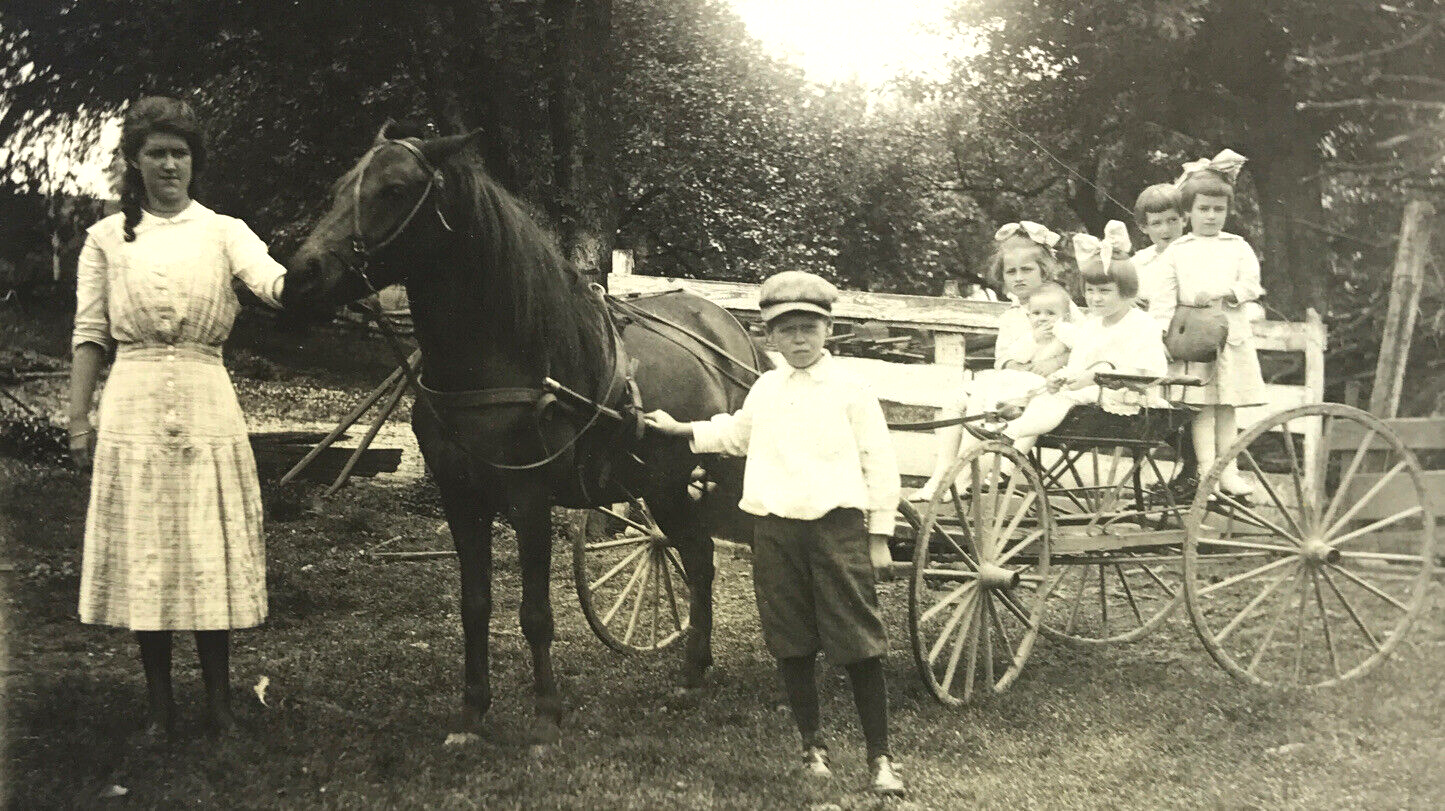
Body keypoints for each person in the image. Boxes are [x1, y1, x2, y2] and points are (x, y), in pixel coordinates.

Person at [68, 96, 289, 740]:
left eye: (180, 153)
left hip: (205, 402)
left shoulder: (225, 231)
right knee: (148, 554)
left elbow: (275, 284)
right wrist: (78, 420)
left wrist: (318, 273)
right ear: (135, 163)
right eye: (157, 152)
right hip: (132, 405)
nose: (170, 164)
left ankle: (220, 706)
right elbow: (89, 335)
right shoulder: (105, 240)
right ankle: (161, 709)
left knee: (204, 548)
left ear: (195, 162)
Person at [644, 271, 905, 796]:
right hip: (776, 532)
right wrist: (680, 429)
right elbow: (735, 434)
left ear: (828, 329)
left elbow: (880, 462)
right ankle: (813, 745)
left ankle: (880, 757)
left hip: (837, 529)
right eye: (788, 331)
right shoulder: (766, 388)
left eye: (810, 327)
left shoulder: (851, 391)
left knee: (858, 641)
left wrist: (879, 534)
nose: (801, 339)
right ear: (770, 338)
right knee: (791, 640)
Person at [943, 227, 1169, 482]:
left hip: (1124, 395)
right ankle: (1003, 433)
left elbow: (1147, 371)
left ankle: (1010, 431)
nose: (1095, 299)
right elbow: (1078, 361)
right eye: (1091, 291)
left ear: (1127, 292)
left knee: (1057, 401)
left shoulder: (1142, 325)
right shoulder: (1094, 324)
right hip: (1089, 392)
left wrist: (1092, 377)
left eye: (1104, 291)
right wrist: (1062, 377)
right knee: (1043, 394)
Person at [909, 222, 1080, 501]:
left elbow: (1084, 345)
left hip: (1044, 389)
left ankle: (962, 480)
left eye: (1027, 270)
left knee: (983, 401)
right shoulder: (1012, 315)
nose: (1019, 277)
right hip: (1012, 379)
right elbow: (1003, 359)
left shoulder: (1060, 305)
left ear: (1044, 271)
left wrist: (1056, 362)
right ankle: (942, 473)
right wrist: (1016, 364)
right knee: (954, 399)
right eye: (1010, 272)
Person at [1148, 150, 1267, 497]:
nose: (1211, 216)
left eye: (1218, 210)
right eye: (1203, 209)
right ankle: (1205, 472)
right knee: (1199, 407)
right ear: (1188, 213)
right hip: (1193, 338)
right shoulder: (1178, 251)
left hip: (1228, 335)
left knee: (1226, 406)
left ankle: (1227, 470)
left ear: (1227, 212)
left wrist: (1225, 292)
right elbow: (1163, 299)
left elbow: (1251, 285)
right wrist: (1159, 334)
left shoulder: (1237, 246)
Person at [1131, 184, 1187, 310]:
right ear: (1144, 227)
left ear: (1184, 220)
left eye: (1172, 220)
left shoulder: (1197, 254)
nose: (1166, 229)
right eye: (1156, 223)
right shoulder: (1138, 263)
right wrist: (1127, 300)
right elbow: (1120, 292)